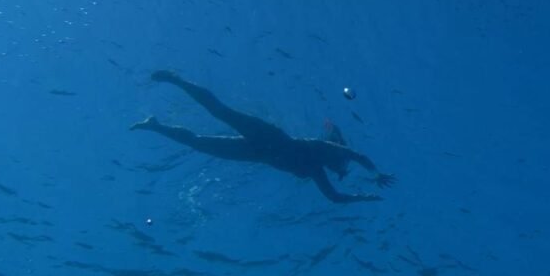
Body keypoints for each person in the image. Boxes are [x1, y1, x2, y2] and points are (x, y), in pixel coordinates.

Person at [131, 70, 395, 203]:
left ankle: (155, 126)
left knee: (200, 144)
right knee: (220, 111)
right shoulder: (320, 149)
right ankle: (174, 79)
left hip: (256, 153)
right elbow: (357, 156)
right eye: (340, 164)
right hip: (269, 136)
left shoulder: (317, 170)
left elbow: (334, 197)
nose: (338, 167)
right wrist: (375, 175)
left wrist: (365, 197)